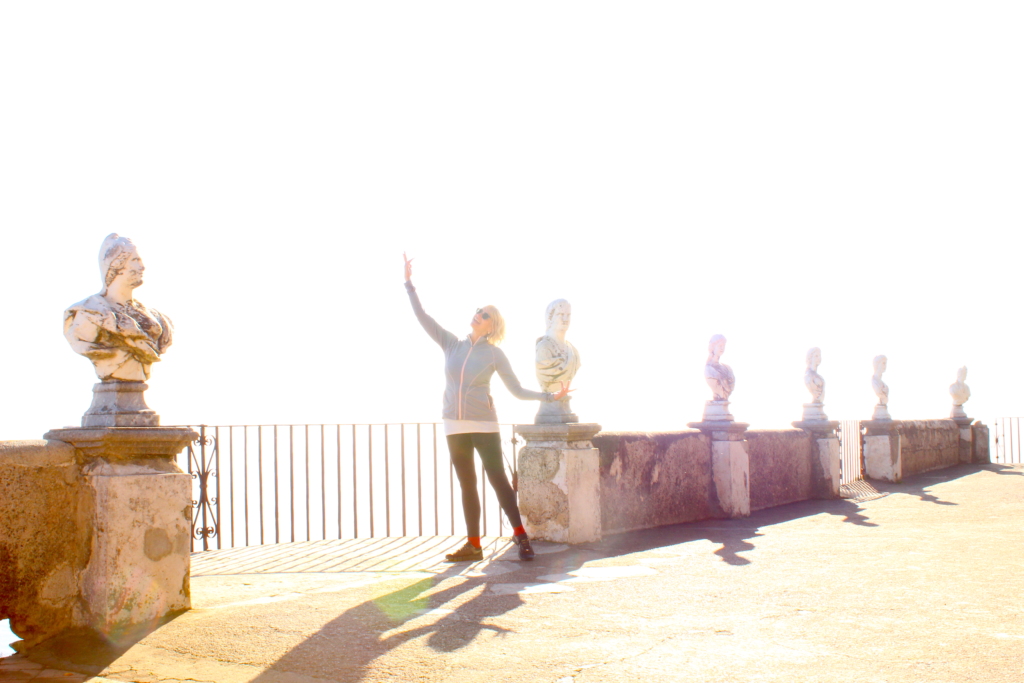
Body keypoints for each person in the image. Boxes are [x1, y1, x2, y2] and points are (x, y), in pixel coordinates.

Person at [403, 253, 570, 562]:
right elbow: (423, 317)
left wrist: (549, 397)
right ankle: (474, 545)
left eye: (484, 314)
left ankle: (522, 538)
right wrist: (409, 284)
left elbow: (517, 390)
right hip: (454, 424)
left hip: (484, 425)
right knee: (468, 485)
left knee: (499, 482)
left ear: (492, 327)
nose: (477, 315)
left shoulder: (494, 354)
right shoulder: (452, 344)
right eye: (477, 311)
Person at [64, 234, 173, 381]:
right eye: (135, 260)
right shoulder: (90, 312)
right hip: (112, 379)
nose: (142, 267)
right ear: (117, 266)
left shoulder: (157, 319)